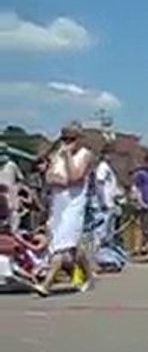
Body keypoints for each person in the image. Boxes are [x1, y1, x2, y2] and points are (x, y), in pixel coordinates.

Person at [38, 122, 95, 296]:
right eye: (64, 139)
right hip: (58, 204)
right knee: (69, 246)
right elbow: (49, 177)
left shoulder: (85, 155)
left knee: (61, 246)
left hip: (74, 205)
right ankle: (89, 275)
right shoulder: (57, 155)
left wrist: (69, 156)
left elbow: (75, 176)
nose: (67, 142)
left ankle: (47, 284)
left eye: (71, 139)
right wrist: (58, 177)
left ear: (79, 139)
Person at [92, 144, 120, 252]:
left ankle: (106, 255)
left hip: (110, 203)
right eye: (110, 154)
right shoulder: (102, 167)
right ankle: (98, 253)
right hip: (103, 204)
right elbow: (99, 184)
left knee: (109, 231)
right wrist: (102, 201)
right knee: (101, 231)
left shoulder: (109, 168)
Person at [0, 143, 24, 232]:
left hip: (10, 193)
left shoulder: (11, 165)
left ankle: (13, 232)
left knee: (13, 212)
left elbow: (20, 179)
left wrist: (16, 189)